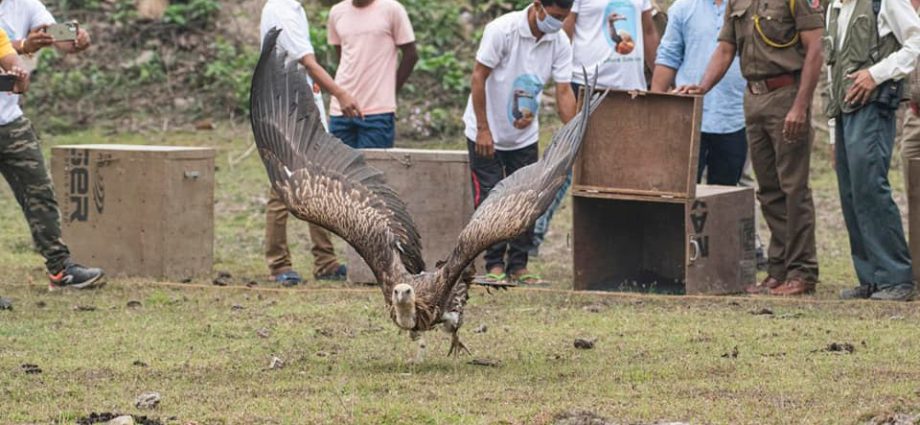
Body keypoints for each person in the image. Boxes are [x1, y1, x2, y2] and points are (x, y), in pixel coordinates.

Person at [678, 0, 824, 296]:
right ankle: (779, 268)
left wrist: (800, 106)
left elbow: (815, 49)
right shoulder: (738, 1)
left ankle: (802, 270)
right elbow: (726, 48)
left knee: (793, 187)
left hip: (787, 94)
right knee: (768, 188)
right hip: (754, 97)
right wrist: (702, 87)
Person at [530, 0, 662, 256]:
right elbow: (564, 32)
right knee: (569, 162)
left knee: (627, 167)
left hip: (630, 89)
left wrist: (659, 79)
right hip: (587, 86)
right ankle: (532, 233)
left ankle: (622, 239)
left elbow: (647, 31)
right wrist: (563, 83)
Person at [465, 0, 577, 285]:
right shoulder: (502, 30)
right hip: (486, 131)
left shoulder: (559, 41)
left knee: (528, 197)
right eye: (555, 16)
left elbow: (563, 91)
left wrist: (575, 134)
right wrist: (483, 129)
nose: (559, 23)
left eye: (564, 18)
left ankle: (518, 265)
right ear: (538, 6)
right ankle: (493, 265)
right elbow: (479, 77)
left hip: (524, 136)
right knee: (491, 196)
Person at [0, 0, 104, 291]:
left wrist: (77, 39)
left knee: (40, 194)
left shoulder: (26, 4)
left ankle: (60, 269)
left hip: (9, 121)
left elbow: (54, 38)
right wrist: (24, 44)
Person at [259, 0, 360, 285]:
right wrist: (340, 94)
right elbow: (308, 62)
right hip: (286, 111)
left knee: (315, 184)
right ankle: (279, 264)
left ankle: (325, 261)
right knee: (283, 188)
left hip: (302, 110)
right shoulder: (281, 9)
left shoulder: (294, 10)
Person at [827, 0, 920, 301]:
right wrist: (831, 133)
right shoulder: (834, 9)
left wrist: (877, 74)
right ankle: (870, 279)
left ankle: (896, 278)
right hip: (843, 110)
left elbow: (915, 41)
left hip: (874, 105)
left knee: (870, 188)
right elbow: (833, 72)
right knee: (850, 192)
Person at [650, 0, 747, 186]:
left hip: (735, 116)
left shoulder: (748, 7)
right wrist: (656, 107)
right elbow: (668, 55)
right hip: (688, 116)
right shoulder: (683, 7)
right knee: (681, 189)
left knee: (726, 193)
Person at [326, 0, 418, 149]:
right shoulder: (337, 12)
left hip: (378, 111)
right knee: (338, 170)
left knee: (374, 168)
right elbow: (343, 56)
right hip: (342, 108)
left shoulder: (391, 9)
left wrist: (390, 91)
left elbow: (411, 55)